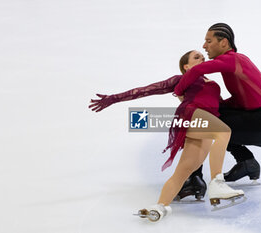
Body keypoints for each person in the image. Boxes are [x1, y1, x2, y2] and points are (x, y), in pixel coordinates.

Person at [89, 50, 244, 221]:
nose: (203, 58)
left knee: (185, 170)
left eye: (203, 56)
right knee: (223, 132)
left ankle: (160, 206)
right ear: (186, 66)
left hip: (207, 123)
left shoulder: (212, 83)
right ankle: (217, 182)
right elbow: (146, 90)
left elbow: (220, 104)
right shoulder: (182, 79)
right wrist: (114, 98)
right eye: (196, 57)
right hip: (192, 115)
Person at [176, 23, 261, 199]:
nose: (204, 46)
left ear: (224, 42)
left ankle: (194, 179)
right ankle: (247, 162)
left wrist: (179, 91)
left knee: (201, 121)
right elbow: (242, 100)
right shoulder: (236, 62)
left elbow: (199, 69)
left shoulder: (233, 59)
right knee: (213, 117)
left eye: (209, 41)